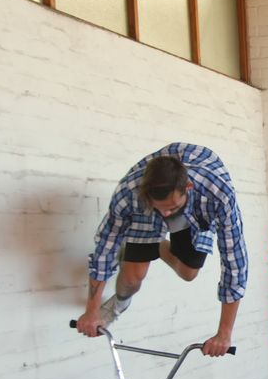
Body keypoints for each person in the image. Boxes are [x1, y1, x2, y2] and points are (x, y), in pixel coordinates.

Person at [75, 143, 247, 357]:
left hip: (197, 209)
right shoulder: (129, 193)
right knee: (131, 279)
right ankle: (118, 305)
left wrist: (224, 333)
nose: (166, 215)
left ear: (188, 188)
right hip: (147, 212)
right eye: (161, 208)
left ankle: (154, 243)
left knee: (188, 272)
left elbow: (234, 263)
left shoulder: (217, 196)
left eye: (172, 208)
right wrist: (92, 310)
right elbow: (105, 248)